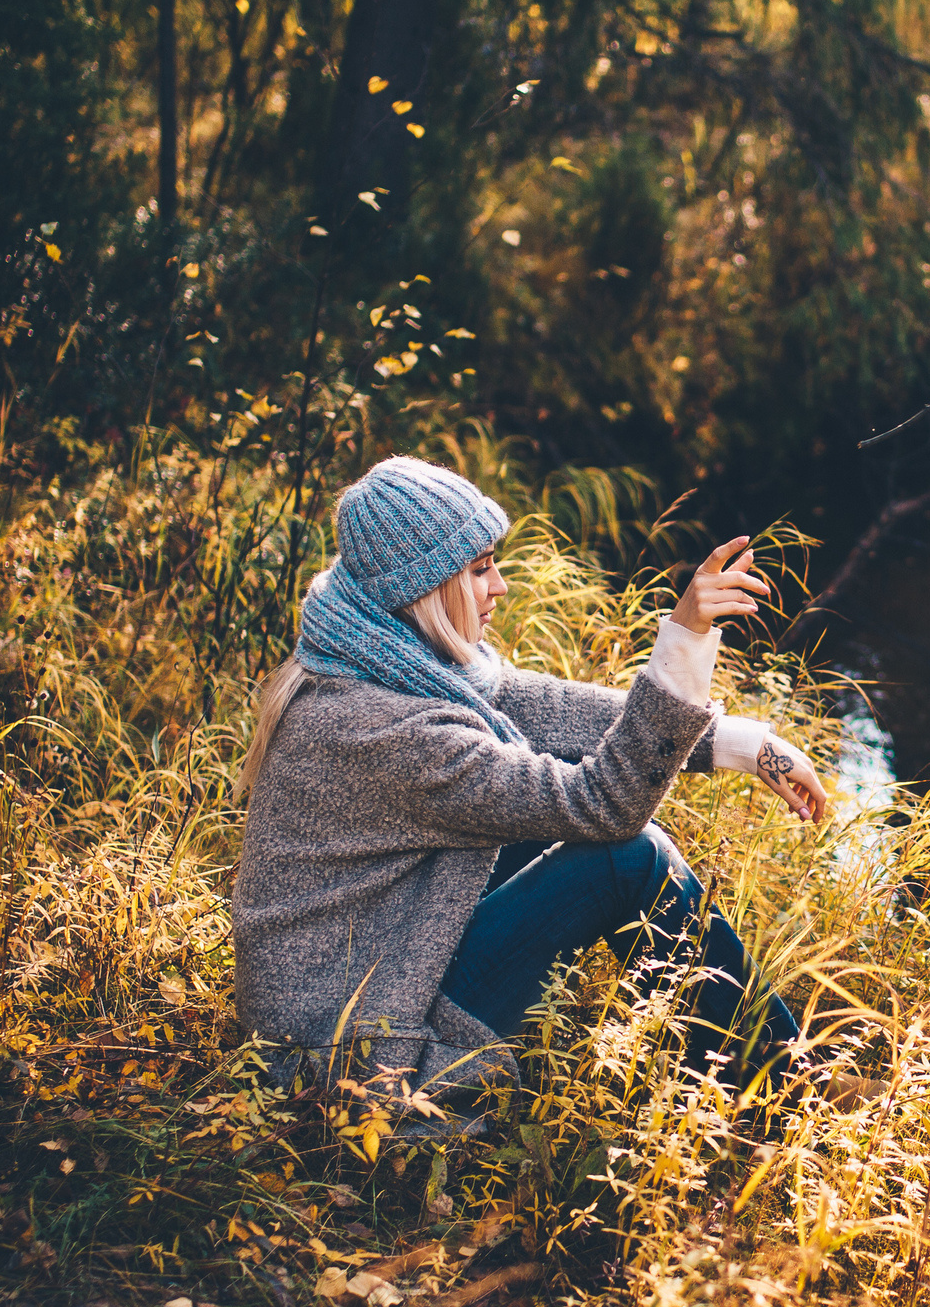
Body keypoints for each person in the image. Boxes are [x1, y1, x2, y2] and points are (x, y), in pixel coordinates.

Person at [231, 456, 825, 1120]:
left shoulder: (369, 650)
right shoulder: (391, 730)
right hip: (350, 1051)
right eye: (480, 567)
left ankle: (739, 1066)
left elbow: (534, 704)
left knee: (570, 834)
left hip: (361, 974)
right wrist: (684, 638)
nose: (501, 585)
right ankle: (788, 1089)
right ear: (423, 585)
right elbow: (603, 802)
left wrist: (740, 743)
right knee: (627, 856)